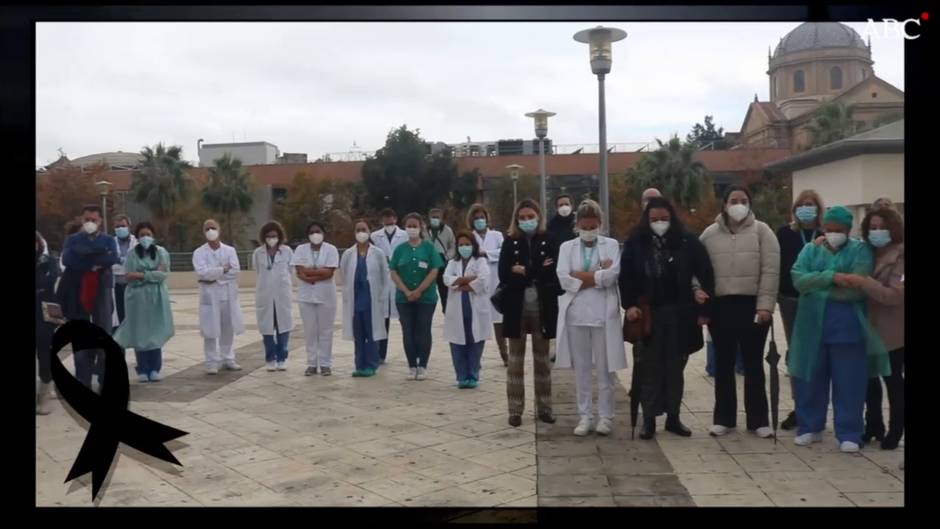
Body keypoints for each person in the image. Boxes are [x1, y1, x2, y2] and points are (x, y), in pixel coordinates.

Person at [789, 206, 890, 453]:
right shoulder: (810, 249)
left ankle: (849, 432)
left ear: (848, 230)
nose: (834, 234)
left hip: (848, 326)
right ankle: (810, 426)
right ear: (824, 228)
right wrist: (833, 277)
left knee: (849, 381)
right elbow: (799, 280)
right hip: (811, 325)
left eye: (840, 230)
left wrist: (818, 284)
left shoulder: (860, 251)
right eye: (830, 229)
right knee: (809, 378)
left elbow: (856, 289)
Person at [621, 197, 715, 439]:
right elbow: (627, 276)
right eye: (654, 219)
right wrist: (629, 305)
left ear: (672, 217)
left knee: (675, 367)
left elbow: (704, 271)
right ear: (647, 219)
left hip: (680, 313)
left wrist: (704, 305)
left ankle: (674, 417)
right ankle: (649, 419)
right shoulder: (636, 241)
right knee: (649, 368)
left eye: (664, 218)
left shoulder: (687, 241)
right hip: (649, 313)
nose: (659, 223)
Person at [699, 185, 780, 438]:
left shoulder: (762, 231)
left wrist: (765, 305)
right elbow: (697, 270)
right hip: (721, 307)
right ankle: (724, 418)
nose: (739, 204)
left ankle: (759, 420)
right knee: (723, 363)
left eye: (744, 200)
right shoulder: (709, 235)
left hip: (753, 306)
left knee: (754, 364)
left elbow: (770, 270)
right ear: (724, 204)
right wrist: (698, 296)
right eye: (734, 200)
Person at [555, 200, 625, 436]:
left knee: (606, 370)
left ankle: (606, 416)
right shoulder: (567, 247)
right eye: (584, 226)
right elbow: (564, 278)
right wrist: (597, 274)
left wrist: (583, 277)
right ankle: (585, 416)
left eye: (593, 226)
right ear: (577, 225)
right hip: (576, 315)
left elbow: (612, 276)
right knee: (582, 370)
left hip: (603, 314)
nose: (588, 231)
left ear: (600, 225)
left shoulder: (611, 245)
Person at [498, 198, 562, 427]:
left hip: (542, 308)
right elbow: (504, 274)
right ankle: (515, 410)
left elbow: (552, 272)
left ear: (538, 216)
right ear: (517, 219)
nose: (527, 221)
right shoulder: (510, 242)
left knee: (542, 361)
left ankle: (545, 407)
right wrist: (535, 270)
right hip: (517, 308)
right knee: (515, 362)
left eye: (530, 217)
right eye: (522, 218)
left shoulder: (550, 239)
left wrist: (524, 270)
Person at [853, 208, 904, 449]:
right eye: (871, 228)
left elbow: (895, 295)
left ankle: (896, 430)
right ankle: (873, 425)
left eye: (881, 227)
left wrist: (865, 283)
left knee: (893, 381)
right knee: (868, 380)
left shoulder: (901, 256)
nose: (876, 232)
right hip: (867, 327)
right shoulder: (866, 253)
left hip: (893, 330)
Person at [776, 190, 826, 430]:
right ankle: (800, 405)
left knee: (817, 354)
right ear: (795, 209)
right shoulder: (785, 233)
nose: (806, 209)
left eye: (811, 205)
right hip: (790, 300)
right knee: (796, 353)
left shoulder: (827, 236)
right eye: (802, 205)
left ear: (818, 209)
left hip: (818, 300)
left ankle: (817, 405)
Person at [57, 205, 120, 390]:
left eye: (94, 220)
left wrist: (85, 256)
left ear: (100, 221)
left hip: (101, 291)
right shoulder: (72, 240)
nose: (90, 223)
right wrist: (96, 259)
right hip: (77, 293)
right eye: (87, 220)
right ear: (81, 220)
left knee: (103, 338)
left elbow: (112, 258)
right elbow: (68, 260)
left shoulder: (108, 240)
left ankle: (103, 379)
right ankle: (83, 381)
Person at [113, 222, 174, 383]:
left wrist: (142, 275)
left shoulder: (161, 252)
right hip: (136, 297)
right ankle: (142, 368)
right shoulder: (133, 253)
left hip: (157, 296)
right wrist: (150, 274)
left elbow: (162, 274)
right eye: (142, 235)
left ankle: (155, 368)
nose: (145, 238)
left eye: (148, 234)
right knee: (139, 331)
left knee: (155, 330)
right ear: (137, 237)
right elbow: (129, 276)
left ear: (153, 236)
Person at [390, 213, 444, 380]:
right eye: (409, 226)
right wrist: (406, 291)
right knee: (408, 331)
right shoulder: (400, 249)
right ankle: (412, 365)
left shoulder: (428, 248)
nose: (411, 229)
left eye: (415, 226)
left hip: (426, 298)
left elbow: (434, 270)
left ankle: (423, 365)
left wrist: (419, 290)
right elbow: (393, 271)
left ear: (421, 227)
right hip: (403, 299)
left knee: (423, 329)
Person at [193, 219, 245, 375]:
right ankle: (211, 362)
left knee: (227, 328)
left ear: (219, 230)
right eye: (207, 228)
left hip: (228, 296)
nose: (210, 231)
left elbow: (235, 271)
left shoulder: (229, 250)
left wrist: (213, 276)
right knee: (210, 330)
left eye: (213, 228)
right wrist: (223, 269)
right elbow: (202, 273)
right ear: (203, 232)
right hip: (209, 297)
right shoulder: (199, 252)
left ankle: (228, 358)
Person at [339, 220, 389, 377]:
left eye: (364, 229)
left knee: (372, 332)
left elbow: (384, 276)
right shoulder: (348, 254)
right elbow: (344, 274)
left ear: (369, 231)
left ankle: (371, 364)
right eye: (358, 229)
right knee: (358, 334)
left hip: (372, 299)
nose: (361, 232)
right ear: (355, 233)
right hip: (355, 299)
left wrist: (382, 296)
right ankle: (359, 365)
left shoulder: (378, 253)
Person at [443, 231, 492, 388]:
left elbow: (484, 280)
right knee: (457, 344)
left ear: (474, 245)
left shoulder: (480, 261)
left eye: (467, 244)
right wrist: (468, 279)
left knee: (475, 343)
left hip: (476, 309)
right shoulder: (452, 263)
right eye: (461, 245)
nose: (464, 247)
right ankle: (461, 376)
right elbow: (446, 279)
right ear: (457, 247)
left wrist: (461, 284)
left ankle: (473, 375)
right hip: (456, 310)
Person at [291, 221, 339, 376]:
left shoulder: (331, 249)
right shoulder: (300, 249)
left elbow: (329, 272)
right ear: (308, 235)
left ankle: (325, 364)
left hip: (326, 295)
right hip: (306, 296)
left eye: (318, 231)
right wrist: (317, 273)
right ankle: (311, 363)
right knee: (310, 331)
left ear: (323, 233)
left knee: (326, 331)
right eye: (312, 232)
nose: (315, 235)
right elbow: (299, 271)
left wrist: (310, 274)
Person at [468, 203, 508, 366]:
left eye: (482, 217)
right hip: (479, 282)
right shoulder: (470, 237)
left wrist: (486, 253)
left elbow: (504, 251)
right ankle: (476, 358)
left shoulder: (497, 235)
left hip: (496, 281)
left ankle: (504, 354)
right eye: (476, 218)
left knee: (499, 322)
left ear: (487, 218)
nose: (479, 221)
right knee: (479, 323)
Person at [253, 221, 295, 372]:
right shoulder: (258, 253)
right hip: (265, 295)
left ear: (280, 236)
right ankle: (270, 358)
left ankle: (282, 357)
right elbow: (258, 271)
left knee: (283, 328)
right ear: (264, 237)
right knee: (267, 329)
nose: (272, 238)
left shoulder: (287, 251)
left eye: (274, 236)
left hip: (282, 295)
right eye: (269, 236)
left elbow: (291, 271)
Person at [371, 208, 409, 364]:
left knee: (404, 320)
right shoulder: (374, 236)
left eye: (391, 217)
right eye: (385, 218)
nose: (388, 221)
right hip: (381, 281)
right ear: (381, 220)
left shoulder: (405, 235)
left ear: (396, 218)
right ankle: (380, 355)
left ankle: (411, 354)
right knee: (382, 321)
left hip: (400, 279)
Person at [36, 231, 60, 414]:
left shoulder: (50, 261)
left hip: (45, 311)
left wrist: (41, 285)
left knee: (45, 350)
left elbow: (50, 280)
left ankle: (45, 388)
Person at [424, 208, 456, 315]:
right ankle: (427, 312)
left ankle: (447, 311)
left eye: (437, 217)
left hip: (443, 264)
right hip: (428, 266)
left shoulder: (447, 230)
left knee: (444, 291)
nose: (435, 219)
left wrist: (447, 256)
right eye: (433, 217)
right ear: (429, 218)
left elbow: (452, 246)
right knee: (428, 290)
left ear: (442, 218)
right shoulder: (423, 231)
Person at [111, 214, 137, 329]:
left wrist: (120, 262)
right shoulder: (109, 243)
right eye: (117, 227)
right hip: (115, 285)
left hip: (131, 285)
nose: (120, 229)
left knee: (133, 317)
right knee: (118, 318)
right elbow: (110, 263)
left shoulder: (137, 244)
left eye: (123, 226)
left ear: (129, 226)